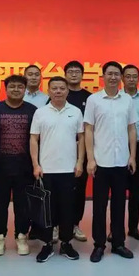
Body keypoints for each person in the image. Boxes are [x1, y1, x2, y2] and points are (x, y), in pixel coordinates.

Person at [85, 61, 138, 263]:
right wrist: (90, 158)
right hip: (101, 162)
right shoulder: (94, 100)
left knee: (119, 204)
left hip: (121, 161)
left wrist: (132, 156)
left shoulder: (127, 100)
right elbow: (88, 130)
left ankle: (118, 243)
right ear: (103, 76)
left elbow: (131, 129)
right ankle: (99, 245)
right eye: (110, 73)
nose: (113, 77)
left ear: (120, 77)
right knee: (99, 206)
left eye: (117, 74)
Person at [30, 76, 85, 262]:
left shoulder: (76, 112)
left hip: (69, 169)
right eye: (54, 88)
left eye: (62, 88)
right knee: (47, 210)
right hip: (46, 169)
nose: (58, 91)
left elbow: (81, 138)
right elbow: (34, 139)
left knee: (67, 208)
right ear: (49, 91)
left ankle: (66, 243)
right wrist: (36, 164)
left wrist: (80, 162)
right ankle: (47, 244)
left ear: (67, 91)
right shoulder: (40, 112)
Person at [0, 75, 37, 256]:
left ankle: (21, 236)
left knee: (22, 205)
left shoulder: (32, 110)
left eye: (20, 87)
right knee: (0, 204)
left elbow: (36, 139)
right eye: (12, 87)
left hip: (24, 167)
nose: (16, 90)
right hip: (1, 167)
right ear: (5, 89)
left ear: (25, 89)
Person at [119, 64, 139, 241]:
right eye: (128, 76)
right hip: (119, 147)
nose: (131, 79)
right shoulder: (116, 97)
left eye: (134, 76)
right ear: (122, 78)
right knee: (117, 190)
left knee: (135, 190)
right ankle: (115, 229)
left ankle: (133, 227)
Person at [64, 60, 92, 242]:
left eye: (77, 71)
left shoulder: (90, 98)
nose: (74, 74)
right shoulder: (58, 94)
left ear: (82, 75)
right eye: (70, 71)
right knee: (60, 187)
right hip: (61, 150)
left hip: (82, 150)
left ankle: (75, 224)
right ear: (65, 74)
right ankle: (58, 224)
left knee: (79, 188)